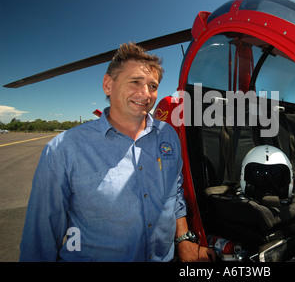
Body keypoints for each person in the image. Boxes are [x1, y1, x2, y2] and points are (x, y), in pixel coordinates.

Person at [19, 42, 215, 262]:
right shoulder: (64, 149)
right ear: (108, 85)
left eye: (152, 85)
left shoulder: (167, 135)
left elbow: (175, 193)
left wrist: (183, 239)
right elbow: (40, 236)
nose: (145, 93)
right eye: (135, 82)